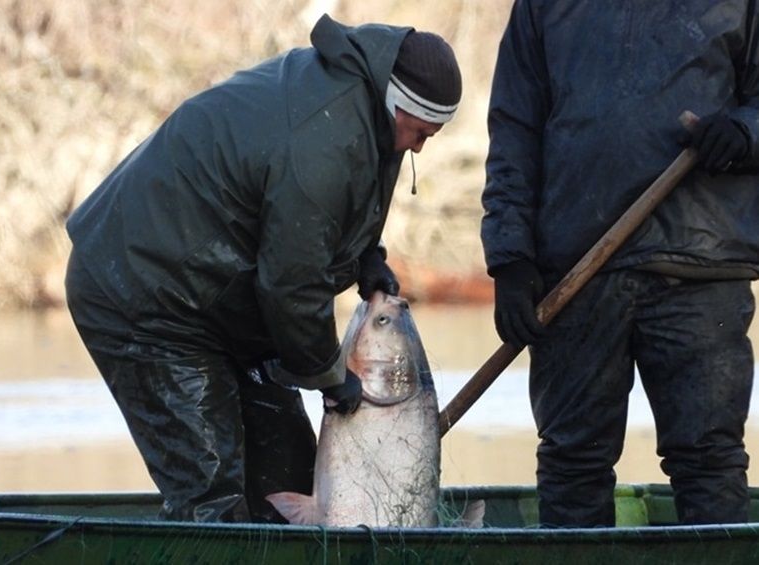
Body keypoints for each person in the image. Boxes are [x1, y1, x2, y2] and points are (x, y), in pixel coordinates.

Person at [64, 14, 461, 523]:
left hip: (224, 300)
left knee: (290, 483)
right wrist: (329, 374)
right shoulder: (325, 137)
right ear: (398, 103)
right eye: (422, 131)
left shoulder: (372, 111)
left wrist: (367, 256)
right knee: (214, 497)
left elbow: (318, 217)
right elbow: (292, 288)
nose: (422, 146)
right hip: (143, 292)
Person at [482, 1, 759, 527]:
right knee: (572, 462)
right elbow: (515, 128)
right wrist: (510, 256)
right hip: (576, 269)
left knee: (709, 461)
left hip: (701, 265)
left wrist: (745, 131)